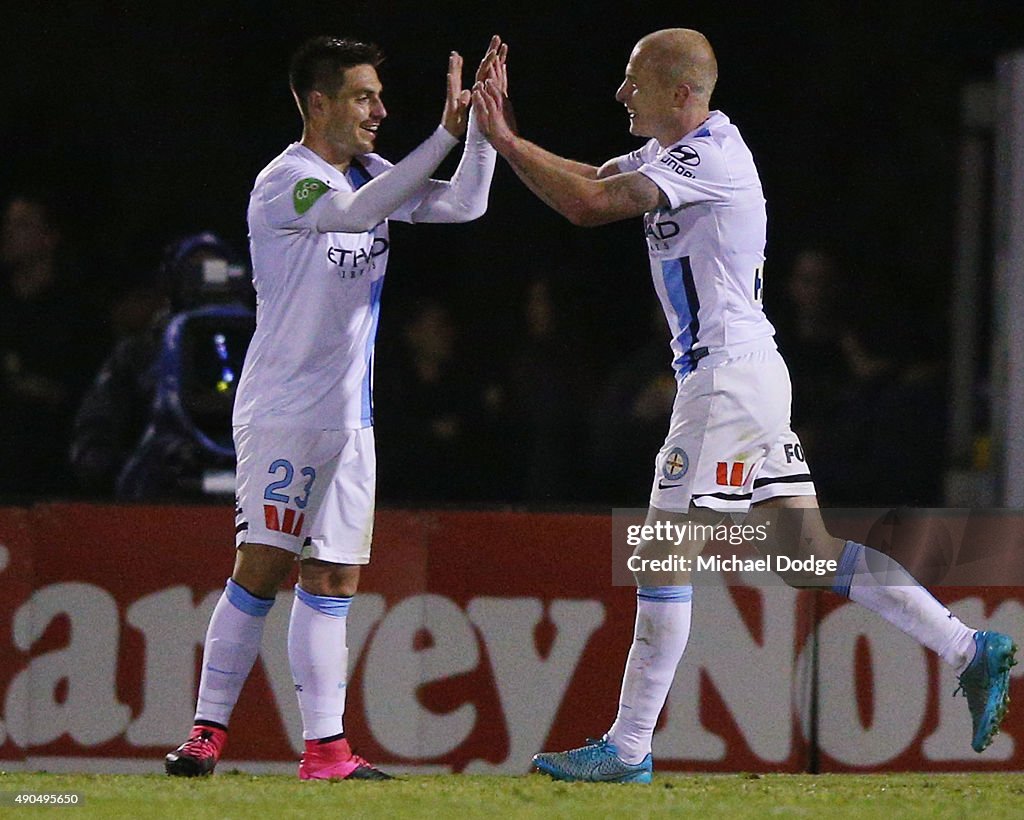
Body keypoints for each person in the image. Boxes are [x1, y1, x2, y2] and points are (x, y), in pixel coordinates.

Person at [472, 28, 1016, 782]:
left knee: (665, 550)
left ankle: (628, 749)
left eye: (635, 81)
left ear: (681, 94)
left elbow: (590, 204)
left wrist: (501, 139)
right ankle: (969, 648)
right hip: (751, 374)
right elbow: (594, 177)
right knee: (806, 555)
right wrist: (515, 139)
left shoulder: (708, 157)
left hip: (725, 378)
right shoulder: (674, 156)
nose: (621, 93)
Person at [164, 34, 505, 780]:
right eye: (363, 97)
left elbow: (465, 203)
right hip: (283, 411)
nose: (380, 110)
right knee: (262, 567)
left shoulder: (370, 175)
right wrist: (443, 134)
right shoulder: (288, 181)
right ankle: (205, 734)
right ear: (318, 103)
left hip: (351, 420)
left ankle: (325, 751)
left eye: (380, 97)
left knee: (334, 580)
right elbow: (354, 215)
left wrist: (478, 125)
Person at [71, 232, 251, 499]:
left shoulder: (263, 344)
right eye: (194, 272)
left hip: (250, 488)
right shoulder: (140, 352)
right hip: (164, 495)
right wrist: (119, 480)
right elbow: (94, 437)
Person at [0, 192, 108, 497]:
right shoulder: (5, 307)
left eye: (21, 225)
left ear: (49, 237)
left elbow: (87, 397)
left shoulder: (79, 314)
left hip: (53, 473)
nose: (8, 232)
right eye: (7, 224)